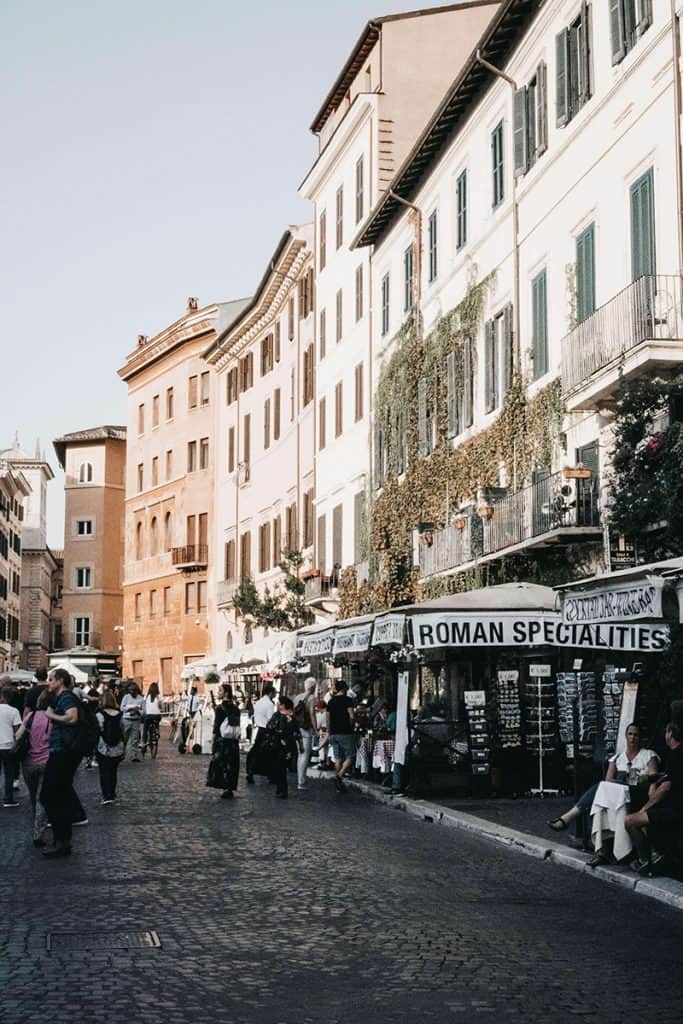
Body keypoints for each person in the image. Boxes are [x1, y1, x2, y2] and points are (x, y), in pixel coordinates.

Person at [548, 723, 658, 833]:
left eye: (636, 735)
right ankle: (573, 819)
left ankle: (568, 817)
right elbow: (608, 781)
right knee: (601, 787)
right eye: (630, 734)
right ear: (626, 736)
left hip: (637, 793)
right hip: (619, 794)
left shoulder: (648, 754)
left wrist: (644, 778)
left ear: (640, 737)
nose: (632, 738)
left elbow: (654, 775)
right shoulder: (618, 757)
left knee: (600, 788)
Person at [626, 722, 683, 872]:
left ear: (670, 734)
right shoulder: (676, 754)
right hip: (673, 806)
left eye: (666, 732)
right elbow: (668, 777)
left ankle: (646, 860)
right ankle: (656, 853)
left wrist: (645, 807)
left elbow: (666, 787)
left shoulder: (676, 754)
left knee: (630, 820)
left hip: (674, 809)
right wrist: (653, 780)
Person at [40, 668, 83, 858]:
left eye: (51, 680)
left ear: (60, 681)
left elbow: (72, 717)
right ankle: (63, 840)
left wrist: (51, 716)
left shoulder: (66, 697)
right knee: (59, 794)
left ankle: (62, 840)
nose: (48, 683)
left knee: (50, 795)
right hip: (62, 752)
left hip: (63, 753)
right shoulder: (63, 697)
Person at [16, 689, 52, 844]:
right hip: (47, 761)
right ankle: (38, 832)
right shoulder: (54, 719)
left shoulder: (30, 716)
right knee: (42, 798)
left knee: (33, 796)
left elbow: (18, 736)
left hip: (29, 762)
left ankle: (36, 820)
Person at [264, 696, 302, 798]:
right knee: (279, 768)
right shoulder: (277, 715)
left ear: (283, 705)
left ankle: (282, 789)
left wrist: (300, 746)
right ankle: (280, 789)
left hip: (286, 746)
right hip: (277, 744)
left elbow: (296, 732)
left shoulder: (291, 717)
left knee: (282, 767)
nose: (277, 705)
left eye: (279, 703)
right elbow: (269, 727)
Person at [208, 685, 241, 798]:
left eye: (220, 690)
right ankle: (230, 787)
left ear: (226, 693)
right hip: (233, 740)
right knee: (232, 763)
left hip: (222, 740)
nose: (218, 692)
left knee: (221, 763)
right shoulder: (236, 708)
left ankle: (223, 785)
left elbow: (216, 726)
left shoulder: (220, 708)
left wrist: (213, 740)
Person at [327, 680, 356, 793]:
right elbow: (352, 716)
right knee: (350, 756)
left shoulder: (331, 701)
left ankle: (339, 784)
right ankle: (339, 776)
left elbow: (328, 719)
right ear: (344, 689)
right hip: (345, 732)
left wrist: (329, 732)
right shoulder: (347, 700)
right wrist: (351, 726)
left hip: (333, 732)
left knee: (338, 758)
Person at [96, 690, 124, 804]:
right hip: (117, 746)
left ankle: (106, 795)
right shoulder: (119, 714)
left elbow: (98, 730)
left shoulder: (99, 714)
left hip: (103, 746)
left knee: (103, 771)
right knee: (113, 771)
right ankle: (112, 793)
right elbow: (122, 730)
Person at [246, 684, 277, 784]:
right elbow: (271, 719)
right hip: (267, 730)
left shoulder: (259, 702)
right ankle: (270, 775)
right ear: (270, 693)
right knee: (269, 753)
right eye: (274, 692)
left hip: (260, 729)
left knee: (257, 751)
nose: (275, 694)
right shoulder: (270, 704)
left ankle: (251, 772)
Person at [293, 677, 317, 791]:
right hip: (306, 729)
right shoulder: (312, 698)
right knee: (305, 755)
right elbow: (312, 714)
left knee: (300, 754)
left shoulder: (297, 697)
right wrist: (316, 729)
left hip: (298, 729)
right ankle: (301, 781)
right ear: (312, 687)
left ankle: (300, 779)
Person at [0, 685, 22, 808]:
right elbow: (17, 731)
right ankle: (8, 799)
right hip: (8, 745)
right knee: (9, 773)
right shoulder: (13, 711)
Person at [120, 682, 145, 762]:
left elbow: (144, 711)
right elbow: (121, 708)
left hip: (136, 720)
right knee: (124, 738)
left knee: (135, 739)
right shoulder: (126, 697)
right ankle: (121, 754)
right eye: (130, 690)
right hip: (126, 720)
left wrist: (138, 711)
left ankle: (134, 756)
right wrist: (129, 709)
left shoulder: (140, 699)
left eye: (134, 690)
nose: (132, 692)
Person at [83, 688, 101, 768]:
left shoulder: (86, 707)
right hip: (96, 728)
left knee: (89, 745)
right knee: (96, 744)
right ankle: (95, 759)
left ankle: (88, 760)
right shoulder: (99, 707)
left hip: (88, 728)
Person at [142, 682, 162, 753]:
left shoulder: (146, 696)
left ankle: (144, 743)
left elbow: (144, 707)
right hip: (157, 716)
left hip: (149, 715)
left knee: (145, 729)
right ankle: (157, 730)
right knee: (157, 721)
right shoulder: (158, 696)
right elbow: (160, 707)